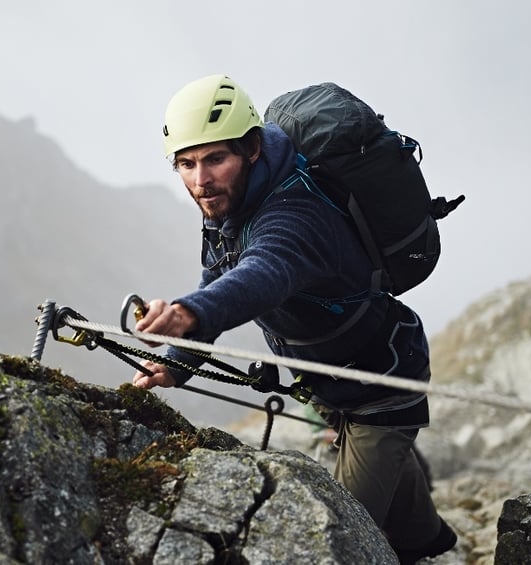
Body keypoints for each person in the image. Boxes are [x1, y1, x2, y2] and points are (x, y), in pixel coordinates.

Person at [130, 74, 456, 563]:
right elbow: (216, 275)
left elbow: (264, 273)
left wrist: (187, 314)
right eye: (187, 164)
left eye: (216, 158)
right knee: (396, 499)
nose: (201, 180)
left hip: (380, 381)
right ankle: (431, 544)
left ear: (253, 149)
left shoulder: (293, 214)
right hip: (327, 378)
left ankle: (414, 533)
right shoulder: (229, 206)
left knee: (339, 536)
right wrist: (178, 363)